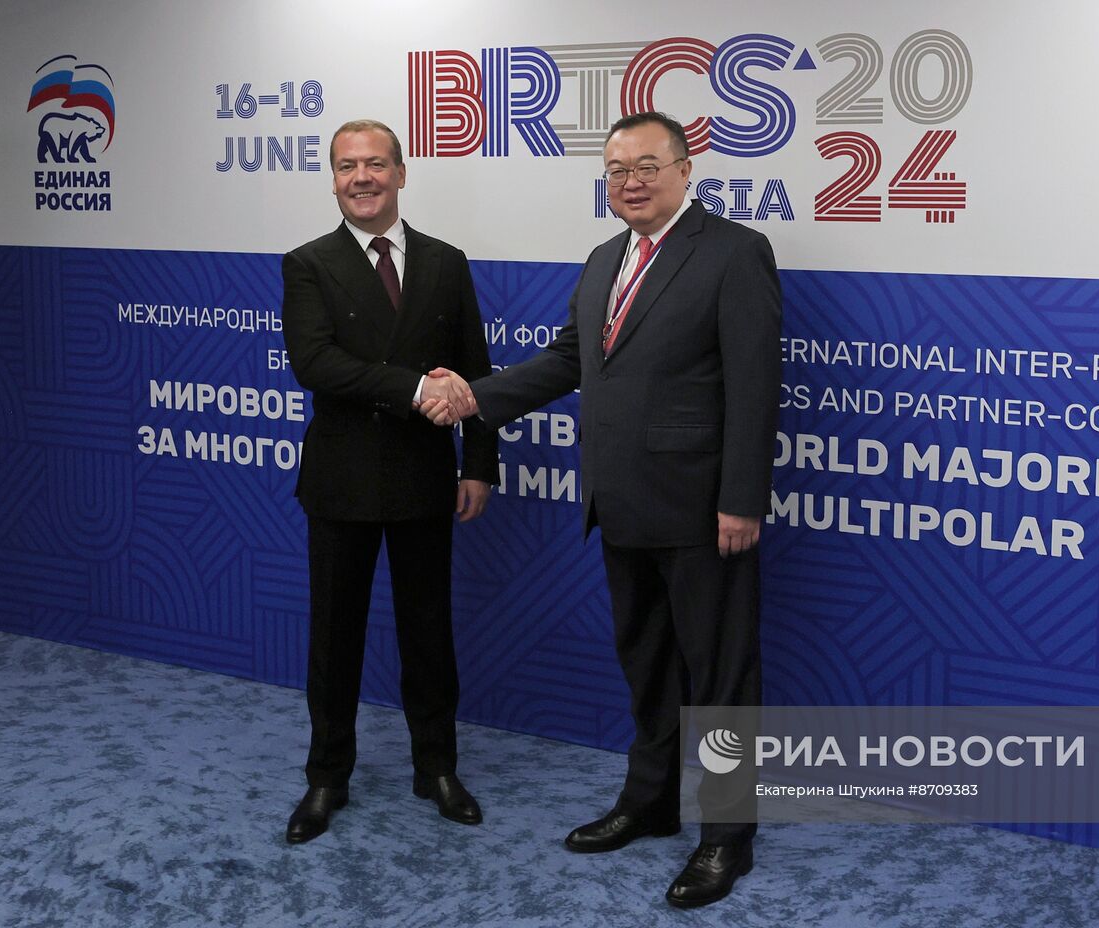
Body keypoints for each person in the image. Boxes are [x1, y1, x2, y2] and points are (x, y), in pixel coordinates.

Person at [423, 111, 781, 907]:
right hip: (619, 504)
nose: (631, 182)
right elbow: (567, 360)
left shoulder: (734, 252)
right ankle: (650, 802)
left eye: (648, 166)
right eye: (617, 170)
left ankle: (728, 836)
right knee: (647, 665)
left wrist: (740, 500)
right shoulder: (604, 259)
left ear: (685, 170)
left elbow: (756, 386)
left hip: (703, 512)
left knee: (721, 679)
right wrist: (474, 396)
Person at [279, 119, 497, 844]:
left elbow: (475, 372)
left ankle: (437, 768)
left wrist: (479, 462)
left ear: (401, 174)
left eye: (375, 164)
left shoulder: (445, 261)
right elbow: (316, 364)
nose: (362, 178)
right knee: (334, 639)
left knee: (429, 634)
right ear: (333, 180)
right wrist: (413, 389)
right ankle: (326, 777)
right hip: (341, 481)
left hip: (423, 478)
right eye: (347, 167)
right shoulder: (308, 263)